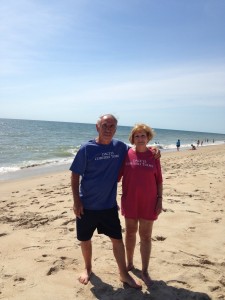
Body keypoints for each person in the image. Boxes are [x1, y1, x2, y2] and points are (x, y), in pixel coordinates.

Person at [70, 114, 160, 288]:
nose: (108, 129)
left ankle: (123, 273)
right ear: (98, 127)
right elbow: (75, 175)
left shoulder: (120, 147)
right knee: (85, 240)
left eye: (112, 126)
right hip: (86, 205)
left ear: (116, 129)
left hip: (109, 206)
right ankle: (87, 269)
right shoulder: (86, 149)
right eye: (105, 125)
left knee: (117, 240)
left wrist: (155, 149)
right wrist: (76, 202)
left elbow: (138, 149)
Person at [119, 124, 163, 287]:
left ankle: (144, 271)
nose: (140, 138)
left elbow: (159, 180)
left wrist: (160, 199)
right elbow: (116, 175)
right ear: (132, 139)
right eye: (137, 136)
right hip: (130, 200)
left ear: (148, 137)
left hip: (149, 201)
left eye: (143, 135)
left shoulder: (154, 155)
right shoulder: (126, 154)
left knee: (145, 236)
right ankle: (129, 264)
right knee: (130, 233)